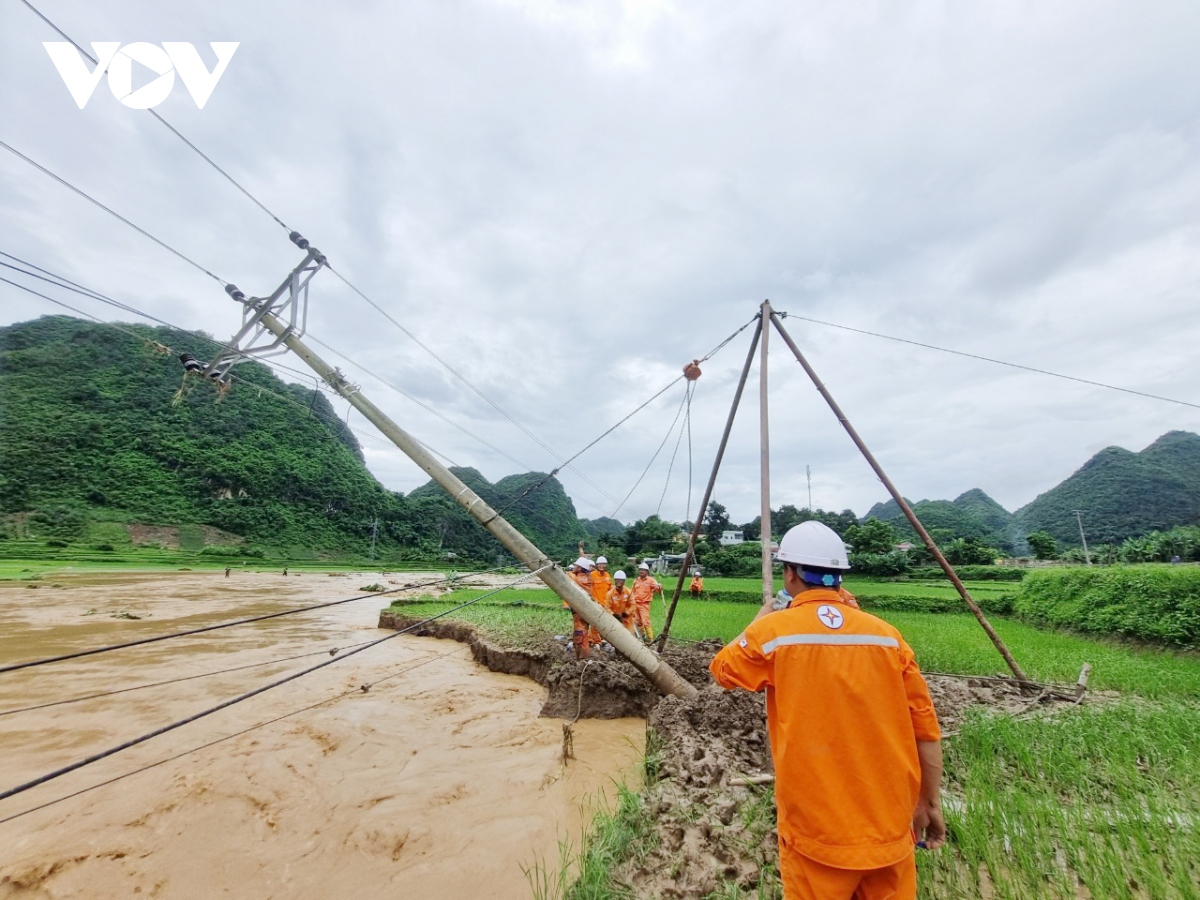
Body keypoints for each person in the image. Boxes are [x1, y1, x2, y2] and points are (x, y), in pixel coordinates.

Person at [709, 520, 944, 900]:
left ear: (789, 574)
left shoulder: (775, 635)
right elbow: (926, 732)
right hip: (890, 830)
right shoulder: (887, 638)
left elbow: (722, 670)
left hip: (817, 834)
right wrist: (930, 804)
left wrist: (759, 621)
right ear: (838, 577)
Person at [566, 557, 596, 659]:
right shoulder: (588, 578)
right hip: (583, 612)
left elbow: (570, 579)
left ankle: (583, 659)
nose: (573, 567)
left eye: (575, 566)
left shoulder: (579, 579)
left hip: (579, 613)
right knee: (581, 636)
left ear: (579, 568)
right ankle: (582, 658)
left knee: (580, 637)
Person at [630, 563, 663, 641]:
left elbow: (656, 589)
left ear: (647, 572)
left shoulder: (651, 580)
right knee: (637, 621)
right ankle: (642, 637)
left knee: (645, 621)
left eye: (643, 570)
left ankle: (650, 638)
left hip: (644, 604)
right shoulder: (636, 581)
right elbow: (631, 592)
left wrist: (659, 587)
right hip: (635, 603)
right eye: (640, 570)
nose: (641, 571)